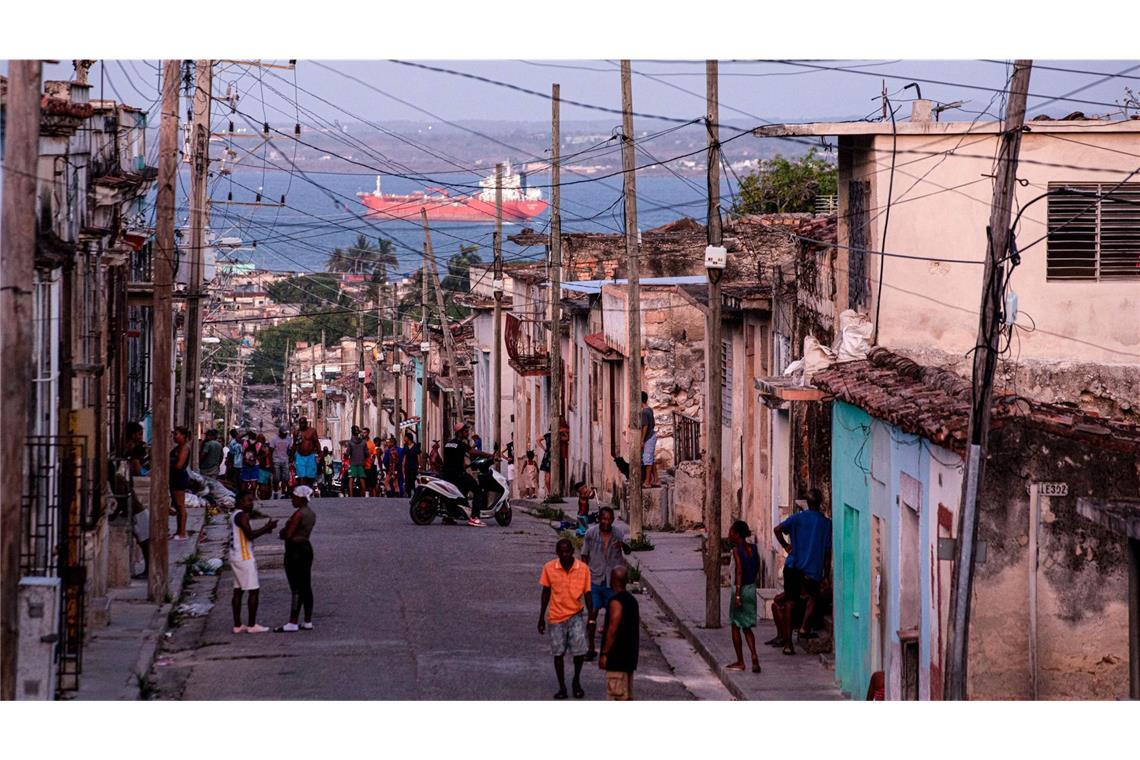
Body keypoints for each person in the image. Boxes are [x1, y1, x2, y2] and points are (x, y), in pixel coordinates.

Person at [771, 488, 832, 655]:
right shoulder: (826, 524)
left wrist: (785, 546)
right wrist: (826, 575)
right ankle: (804, 627)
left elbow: (777, 529)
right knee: (812, 597)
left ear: (807, 502)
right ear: (820, 504)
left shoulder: (797, 518)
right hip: (812, 569)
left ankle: (788, 644)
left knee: (790, 602)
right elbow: (827, 554)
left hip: (793, 566)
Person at [538, 537, 593, 699]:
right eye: (562, 552)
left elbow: (588, 593)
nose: (565, 555)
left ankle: (576, 681)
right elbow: (546, 592)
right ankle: (562, 687)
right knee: (558, 654)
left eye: (568, 551)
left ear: (572, 552)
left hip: (576, 615)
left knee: (579, 653)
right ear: (557, 553)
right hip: (556, 617)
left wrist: (591, 617)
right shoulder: (549, 568)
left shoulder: (583, 569)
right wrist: (541, 617)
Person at [581, 506, 630, 661]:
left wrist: (622, 545)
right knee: (593, 612)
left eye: (609, 519)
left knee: (613, 615)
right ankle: (590, 648)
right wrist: (585, 575)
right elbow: (584, 555)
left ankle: (610, 648)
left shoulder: (619, 534)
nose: (606, 522)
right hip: (595, 579)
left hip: (612, 582)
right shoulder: (591, 534)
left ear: (613, 520)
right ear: (599, 519)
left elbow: (628, 551)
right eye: (604, 519)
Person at [230, 491, 278, 634]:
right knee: (253, 590)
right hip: (244, 556)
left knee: (238, 590)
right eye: (248, 501)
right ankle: (252, 625)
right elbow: (250, 535)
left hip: (235, 555)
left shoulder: (235, 515)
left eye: (252, 501)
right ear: (240, 502)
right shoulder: (242, 516)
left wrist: (264, 529)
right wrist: (266, 528)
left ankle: (238, 625)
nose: (251, 504)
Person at [276, 485, 317, 632]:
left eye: (294, 497)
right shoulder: (311, 514)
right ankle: (307, 620)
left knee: (296, 586)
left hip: (295, 551)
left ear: (300, 498)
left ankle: (293, 621)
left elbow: (288, 534)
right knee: (306, 585)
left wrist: (282, 532)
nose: (292, 500)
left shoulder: (298, 514)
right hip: (306, 548)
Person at [599, 565, 639, 700]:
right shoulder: (632, 601)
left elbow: (613, 630)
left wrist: (604, 653)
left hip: (617, 659)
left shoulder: (615, 602)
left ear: (612, 580)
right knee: (626, 696)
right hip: (629, 659)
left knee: (616, 696)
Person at [726, 520, 762, 673]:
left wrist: (738, 595)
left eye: (731, 532)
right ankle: (754, 656)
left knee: (735, 626)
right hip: (751, 588)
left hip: (740, 590)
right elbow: (757, 567)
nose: (729, 535)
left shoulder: (736, 550)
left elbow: (739, 571)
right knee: (747, 627)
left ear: (737, 534)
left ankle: (740, 661)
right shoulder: (753, 548)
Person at [441, 423, 484, 527]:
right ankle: (474, 517)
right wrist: (490, 455)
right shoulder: (461, 444)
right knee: (477, 490)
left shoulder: (448, 443)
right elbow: (473, 452)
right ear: (459, 433)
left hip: (446, 474)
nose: (467, 433)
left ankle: (449, 516)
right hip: (458, 474)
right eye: (465, 431)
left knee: (457, 494)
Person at [124, 421, 150, 578]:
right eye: (139, 434)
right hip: (130, 495)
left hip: (130, 493)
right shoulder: (132, 450)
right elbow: (136, 470)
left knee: (143, 533)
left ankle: (148, 568)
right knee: (144, 533)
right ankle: (148, 569)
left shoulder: (133, 449)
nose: (141, 437)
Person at [169, 426, 191, 541]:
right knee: (177, 506)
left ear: (183, 436)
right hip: (174, 477)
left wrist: (166, 464)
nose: (174, 437)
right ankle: (179, 531)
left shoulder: (184, 448)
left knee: (180, 505)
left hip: (179, 477)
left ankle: (182, 532)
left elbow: (179, 465)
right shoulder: (177, 448)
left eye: (176, 434)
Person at [293, 417, 321, 487]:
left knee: (310, 477)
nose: (302, 425)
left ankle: (309, 488)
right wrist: (291, 455)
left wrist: (319, 452)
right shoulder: (296, 432)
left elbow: (316, 442)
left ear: (306, 423)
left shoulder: (312, 431)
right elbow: (294, 444)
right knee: (302, 476)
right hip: (300, 456)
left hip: (310, 455)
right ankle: (303, 491)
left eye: (303, 423)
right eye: (300, 423)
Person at [640, 392, 658, 487]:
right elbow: (653, 423)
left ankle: (647, 482)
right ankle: (656, 480)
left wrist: (642, 440)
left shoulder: (643, 412)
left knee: (647, 460)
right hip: (652, 435)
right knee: (651, 459)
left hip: (648, 438)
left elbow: (645, 426)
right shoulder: (650, 409)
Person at [346, 427, 368, 497]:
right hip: (361, 463)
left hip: (353, 462)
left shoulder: (350, 442)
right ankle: (363, 495)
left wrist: (346, 455)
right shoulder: (363, 442)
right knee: (362, 479)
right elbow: (367, 454)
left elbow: (348, 453)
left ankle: (351, 495)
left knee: (351, 479)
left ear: (352, 433)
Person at [270, 427, 292, 498]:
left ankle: (283, 493)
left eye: (285, 434)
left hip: (285, 460)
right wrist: (271, 463)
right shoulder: (274, 439)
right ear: (280, 433)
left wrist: (291, 458)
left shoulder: (289, 439)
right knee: (276, 478)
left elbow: (290, 449)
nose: (284, 435)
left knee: (285, 478)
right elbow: (271, 451)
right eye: (283, 434)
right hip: (276, 461)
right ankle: (275, 492)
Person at [255, 433, 273, 500]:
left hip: (266, 468)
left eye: (261, 438)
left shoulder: (265, 446)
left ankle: (264, 496)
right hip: (263, 467)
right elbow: (258, 457)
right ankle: (263, 496)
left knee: (264, 483)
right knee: (263, 483)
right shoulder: (259, 447)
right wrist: (265, 454)